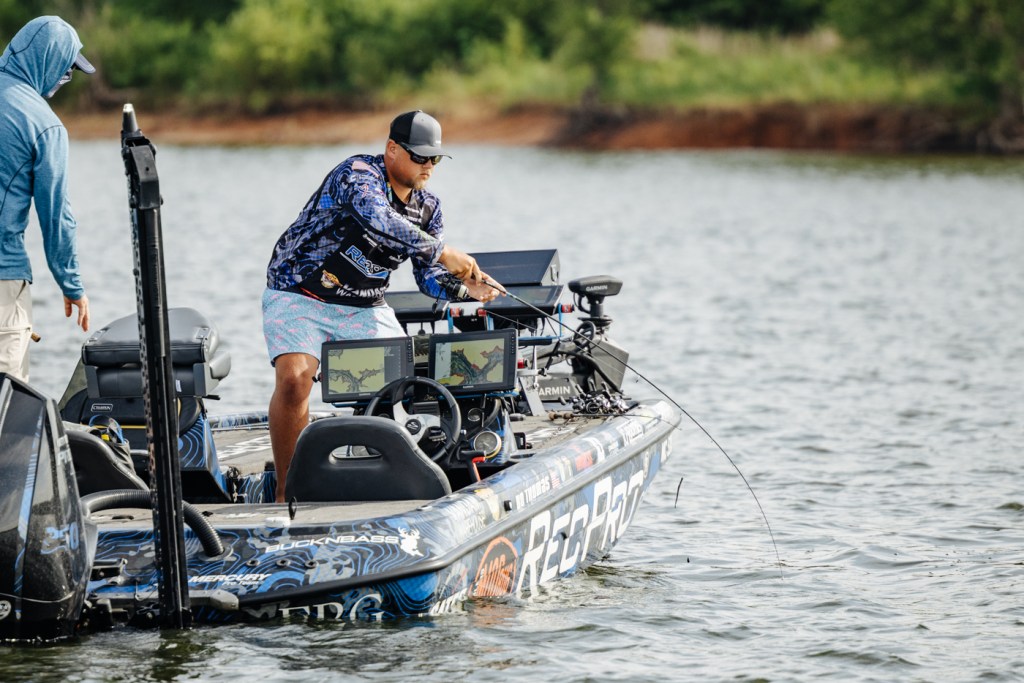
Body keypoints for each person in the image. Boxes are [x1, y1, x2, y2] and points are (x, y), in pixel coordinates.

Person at [263, 110, 503, 501]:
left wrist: (465, 289)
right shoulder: (356, 174)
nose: (428, 165)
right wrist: (443, 252)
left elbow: (427, 278)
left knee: (410, 387)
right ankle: (287, 492)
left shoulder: (429, 208)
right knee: (295, 379)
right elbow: (378, 219)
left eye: (435, 158)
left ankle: (396, 478)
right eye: (420, 156)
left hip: (365, 306)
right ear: (392, 149)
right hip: (299, 294)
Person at [0, 16, 93, 383]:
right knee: (6, 403)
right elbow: (56, 218)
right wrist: (72, 285)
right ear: (47, 62)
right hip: (4, 276)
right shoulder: (44, 125)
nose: (63, 80)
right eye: (66, 71)